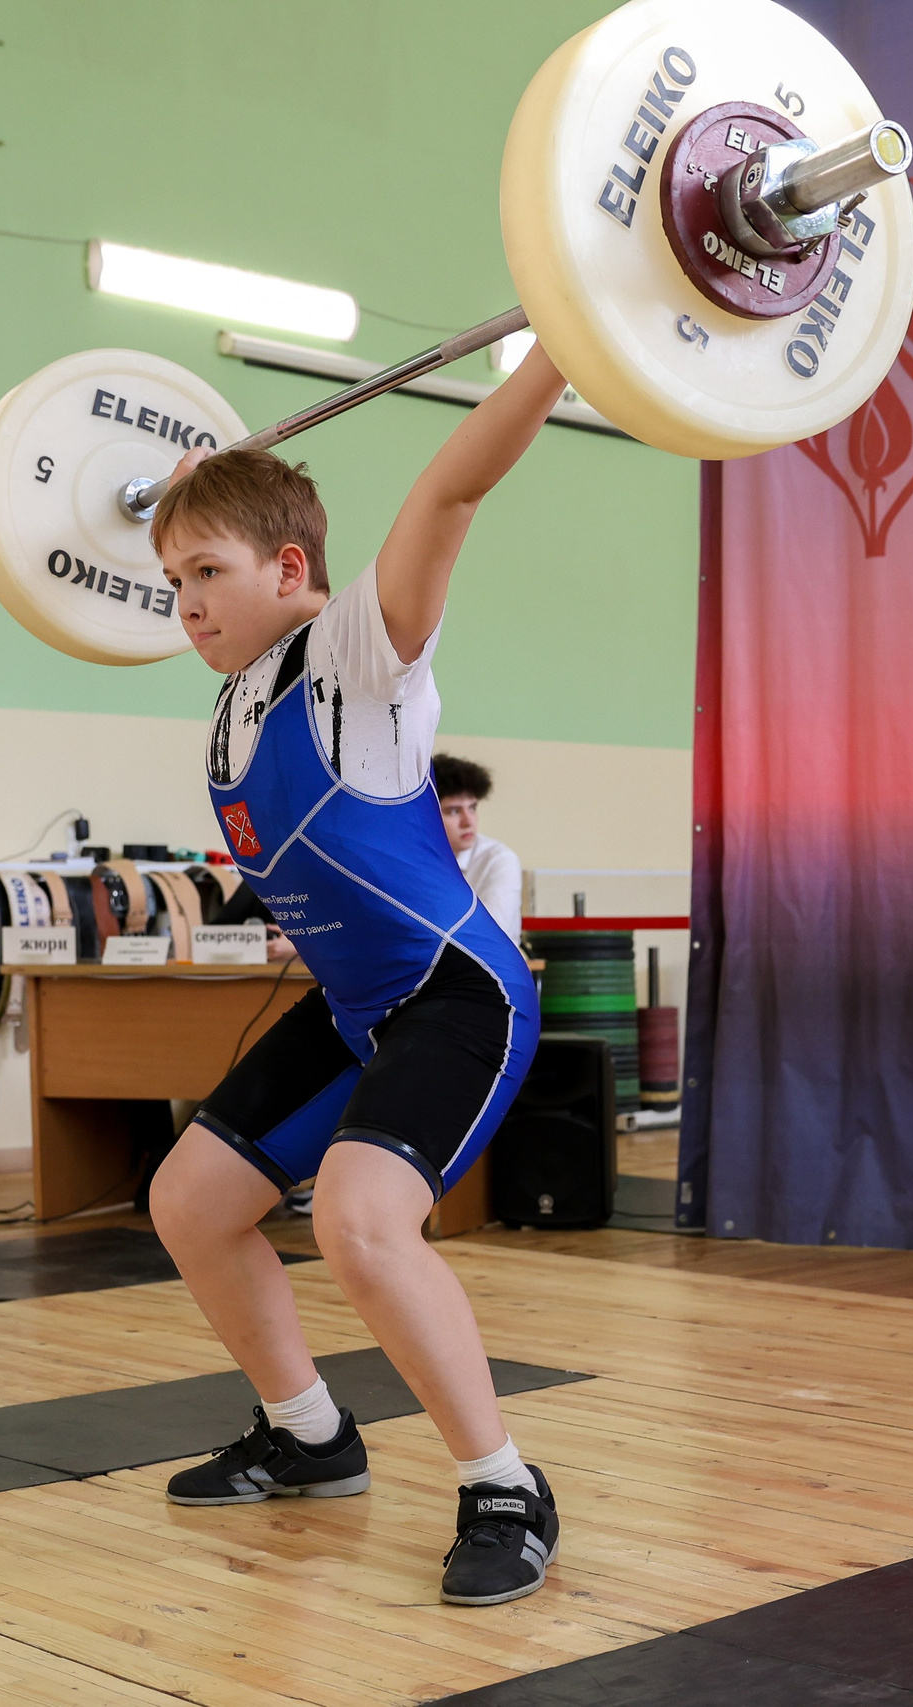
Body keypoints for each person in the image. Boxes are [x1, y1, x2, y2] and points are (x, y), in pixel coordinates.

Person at [143, 345, 570, 1607]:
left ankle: (504, 1483)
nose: (185, 607)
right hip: (357, 1013)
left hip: (457, 999)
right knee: (188, 1202)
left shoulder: (357, 663)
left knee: (358, 1223)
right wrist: (191, 504)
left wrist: (555, 356)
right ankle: (311, 1435)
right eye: (172, 583)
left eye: (206, 575)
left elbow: (444, 496)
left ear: (290, 571)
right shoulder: (230, 706)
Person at [432, 753, 522, 942]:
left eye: (472, 808)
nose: (468, 822)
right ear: (428, 814)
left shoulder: (499, 859)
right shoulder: (416, 859)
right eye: (454, 811)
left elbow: (491, 937)